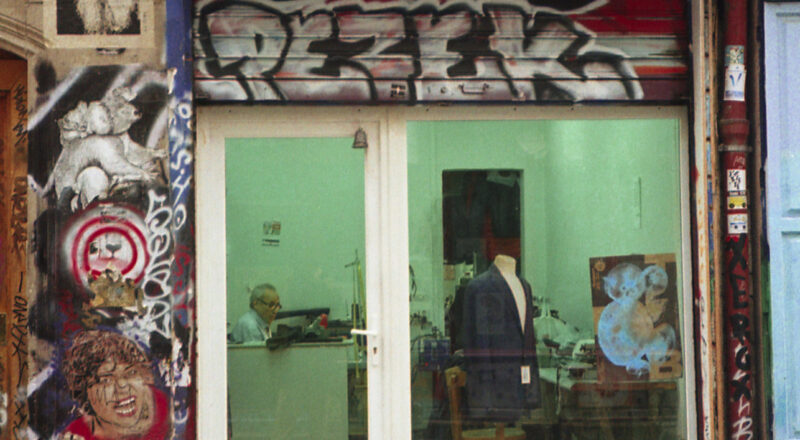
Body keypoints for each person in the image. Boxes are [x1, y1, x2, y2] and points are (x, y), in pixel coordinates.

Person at [59, 330, 170, 440]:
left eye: (131, 373)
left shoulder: (162, 406)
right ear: (83, 392)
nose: (123, 386)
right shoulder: (76, 434)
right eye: (106, 380)